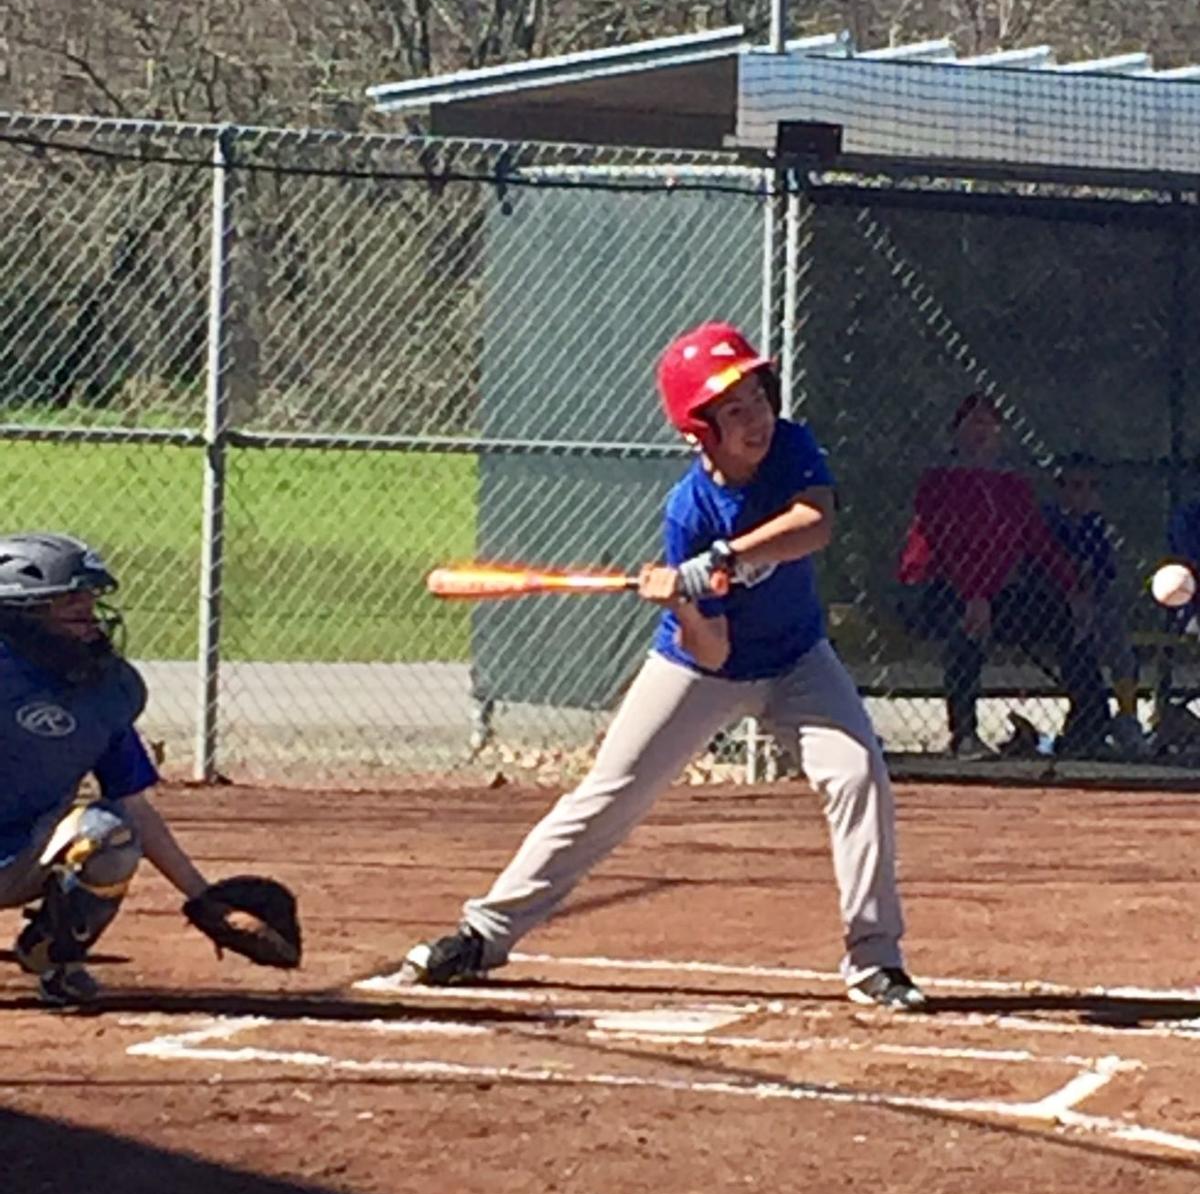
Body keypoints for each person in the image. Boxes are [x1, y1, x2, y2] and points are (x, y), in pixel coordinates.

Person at [402, 321, 926, 1011]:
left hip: (800, 658)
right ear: (699, 430)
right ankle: (486, 931)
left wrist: (726, 560)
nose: (755, 420)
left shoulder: (792, 449)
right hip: (700, 668)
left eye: (757, 399)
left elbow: (815, 523)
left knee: (857, 774)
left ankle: (875, 960)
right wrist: (684, 598)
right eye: (732, 410)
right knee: (610, 794)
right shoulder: (687, 511)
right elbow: (716, 654)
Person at [0, 531, 211, 1006]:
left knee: (109, 835)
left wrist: (201, 896)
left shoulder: (98, 690)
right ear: (24, 613)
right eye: (72, 606)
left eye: (91, 603)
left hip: (22, 852)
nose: (92, 621)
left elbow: (133, 805)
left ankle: (53, 955)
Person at [896, 393, 1111, 760]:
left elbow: (1040, 543)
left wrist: (1074, 590)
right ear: (956, 432)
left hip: (994, 594)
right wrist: (973, 595)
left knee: (1067, 621)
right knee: (967, 629)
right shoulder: (939, 482)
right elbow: (945, 544)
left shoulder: (1014, 487)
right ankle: (964, 735)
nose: (982, 430)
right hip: (937, 589)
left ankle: (1087, 733)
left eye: (990, 423)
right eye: (973, 422)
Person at [1042, 452, 1144, 755]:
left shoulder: (1094, 526)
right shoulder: (1049, 522)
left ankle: (1127, 718)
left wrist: (1087, 593)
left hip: (1092, 605)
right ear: (1060, 490)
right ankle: (1086, 724)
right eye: (1075, 487)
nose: (1084, 495)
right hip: (1053, 604)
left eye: (1091, 487)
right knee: (1081, 638)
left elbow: (1102, 573)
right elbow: (1045, 568)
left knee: (1119, 646)